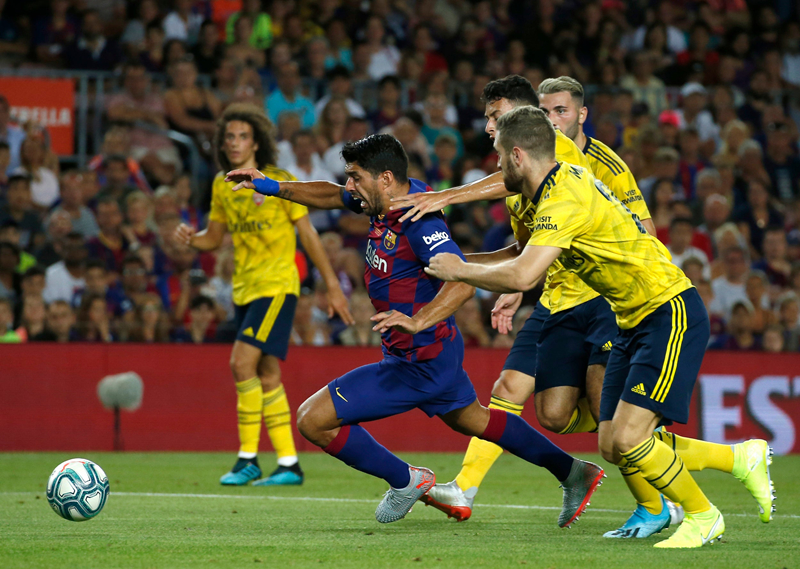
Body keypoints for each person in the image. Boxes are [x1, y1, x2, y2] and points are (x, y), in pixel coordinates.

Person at [424, 105, 774, 548]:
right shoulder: (556, 186)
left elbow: (524, 275)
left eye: (498, 157)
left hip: (666, 310)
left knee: (630, 437)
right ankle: (739, 458)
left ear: (517, 156)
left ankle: (702, 516)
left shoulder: (562, 199)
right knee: (612, 443)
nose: (496, 167)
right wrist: (459, 263)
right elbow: (523, 257)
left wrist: (458, 269)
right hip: (631, 319)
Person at [225, 133, 604, 528]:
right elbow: (331, 195)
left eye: (356, 177)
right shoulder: (383, 200)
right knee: (477, 421)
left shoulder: (420, 222)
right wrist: (271, 186)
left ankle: (406, 480)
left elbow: (461, 280)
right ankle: (573, 471)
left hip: (419, 360)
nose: (350, 186)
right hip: (428, 352)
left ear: (386, 178)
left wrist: (419, 321)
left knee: (312, 420)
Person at [390, 75, 664, 536]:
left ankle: (661, 491)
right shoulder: (520, 176)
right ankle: (478, 485)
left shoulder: (565, 153)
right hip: (555, 298)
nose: (488, 127)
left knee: (611, 421)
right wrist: (505, 278)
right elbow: (527, 248)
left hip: (600, 296)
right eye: (488, 119)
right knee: (541, 406)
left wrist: (448, 196)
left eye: (496, 117)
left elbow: (645, 232)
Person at [174, 103, 353, 487]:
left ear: (256, 143)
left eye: (242, 136)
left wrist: (333, 285)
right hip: (244, 289)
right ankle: (289, 463)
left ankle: (247, 459)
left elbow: (308, 235)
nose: (234, 143)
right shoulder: (222, 184)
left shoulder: (278, 181)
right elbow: (214, 237)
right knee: (267, 374)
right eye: (229, 137)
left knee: (241, 364)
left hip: (277, 287)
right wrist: (192, 239)